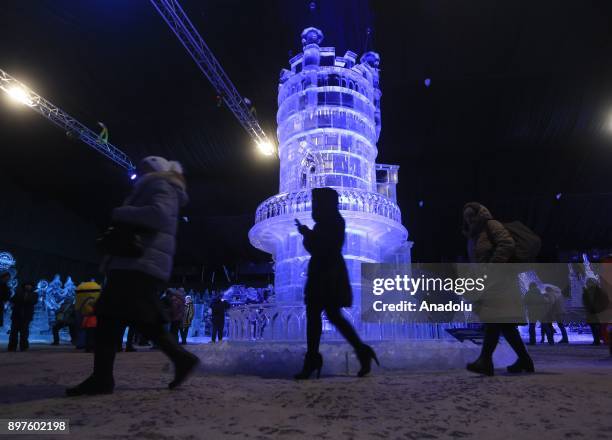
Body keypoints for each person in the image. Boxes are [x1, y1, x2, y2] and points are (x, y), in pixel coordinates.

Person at [67, 156, 199, 397]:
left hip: (139, 262)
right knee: (136, 319)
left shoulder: (161, 185)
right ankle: (180, 359)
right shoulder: (158, 186)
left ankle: (103, 378)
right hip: (138, 263)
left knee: (110, 318)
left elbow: (158, 215)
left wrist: (122, 212)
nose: (138, 171)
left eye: (144, 167)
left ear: (154, 170)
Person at [295, 187, 378, 379]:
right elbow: (316, 247)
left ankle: (314, 359)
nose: (314, 208)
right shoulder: (327, 222)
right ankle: (360, 351)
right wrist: (307, 234)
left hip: (328, 274)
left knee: (321, 315)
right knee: (328, 316)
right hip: (326, 272)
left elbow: (325, 247)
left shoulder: (333, 222)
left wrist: (307, 233)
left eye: (317, 203)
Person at [462, 202, 534, 376]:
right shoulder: (475, 234)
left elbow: (507, 244)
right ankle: (525, 360)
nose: (470, 220)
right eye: (467, 218)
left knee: (494, 319)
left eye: (472, 215)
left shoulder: (490, 225)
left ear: (479, 214)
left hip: (501, 281)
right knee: (506, 324)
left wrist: (493, 267)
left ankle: (485, 361)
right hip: (491, 282)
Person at [7, 282, 38, 352]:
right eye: (26, 285)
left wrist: (26, 297)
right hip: (16, 316)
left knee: (24, 332)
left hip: (26, 316)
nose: (28, 286)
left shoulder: (34, 294)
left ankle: (24, 347)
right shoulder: (18, 293)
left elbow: (33, 301)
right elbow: (13, 300)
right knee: (13, 332)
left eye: (29, 285)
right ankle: (12, 347)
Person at [582, 277, 608, 346]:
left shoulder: (594, 291)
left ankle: (597, 340)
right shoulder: (598, 291)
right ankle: (597, 340)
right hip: (595, 312)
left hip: (595, 312)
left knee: (595, 327)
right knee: (595, 327)